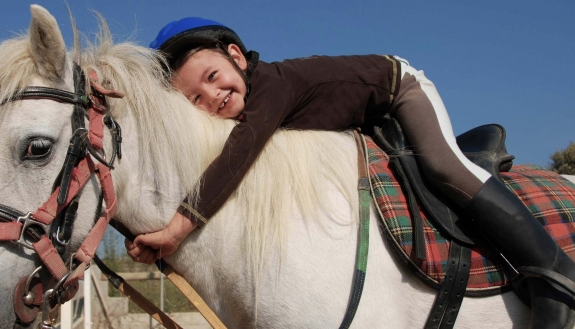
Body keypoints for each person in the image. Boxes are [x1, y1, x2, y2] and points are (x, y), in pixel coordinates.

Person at [125, 17, 575, 323]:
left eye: (211, 77)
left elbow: (237, 157)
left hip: (400, 89)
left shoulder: (272, 87)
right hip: (367, 119)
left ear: (237, 56)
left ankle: (553, 277)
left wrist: (177, 229)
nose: (212, 97)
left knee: (444, 168)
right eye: (196, 102)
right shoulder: (249, 103)